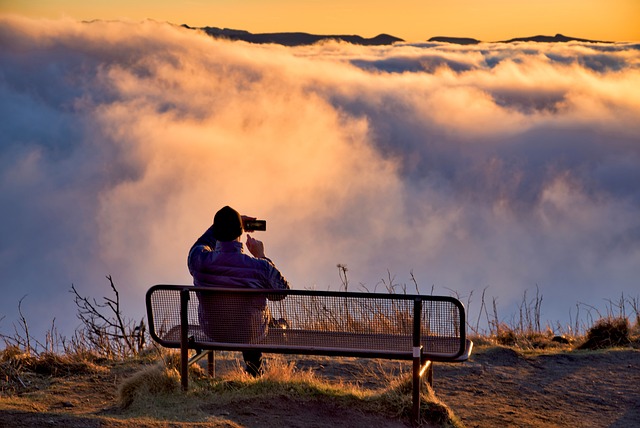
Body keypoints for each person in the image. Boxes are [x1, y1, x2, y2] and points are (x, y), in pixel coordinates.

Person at [187, 205, 290, 376]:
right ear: (239, 233)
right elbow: (280, 293)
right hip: (249, 333)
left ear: (216, 233)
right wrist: (261, 256)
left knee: (248, 316)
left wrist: (219, 227)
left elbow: (200, 244)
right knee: (253, 318)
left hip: (213, 330)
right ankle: (255, 370)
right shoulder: (259, 267)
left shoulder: (199, 260)